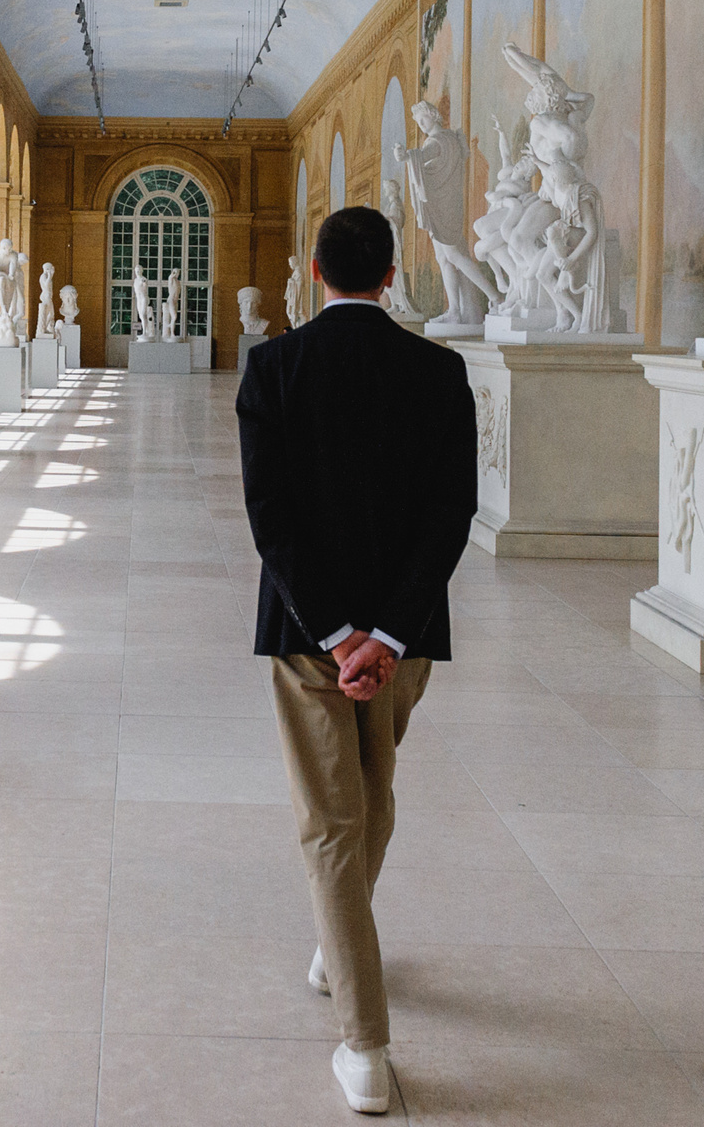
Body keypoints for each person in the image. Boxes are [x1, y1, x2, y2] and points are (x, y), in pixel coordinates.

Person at [234, 205, 477, 1114]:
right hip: (404, 640)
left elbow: (271, 518)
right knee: (371, 797)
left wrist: (336, 632)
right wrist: (386, 632)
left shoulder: (275, 367)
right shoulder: (439, 369)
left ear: (314, 270)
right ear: (389, 276)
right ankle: (342, 948)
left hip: (308, 636)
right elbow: (450, 514)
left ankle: (366, 1050)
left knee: (335, 820)